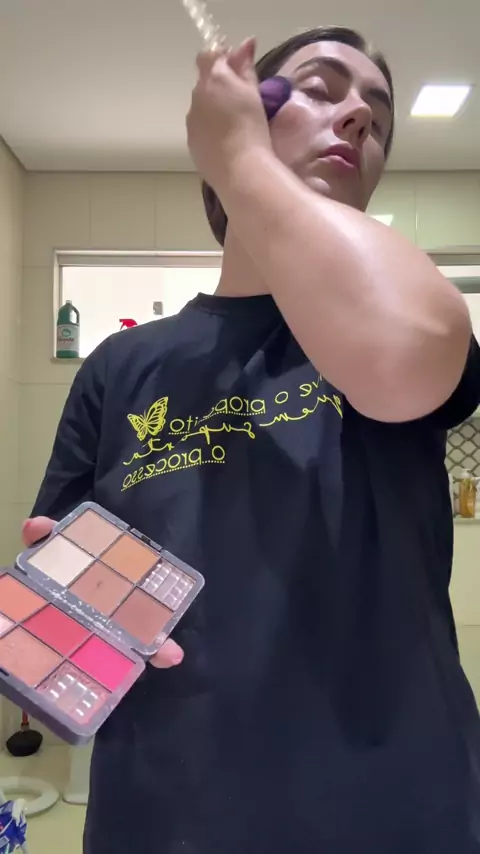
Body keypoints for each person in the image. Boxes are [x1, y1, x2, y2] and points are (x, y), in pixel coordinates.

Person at [23, 25, 480, 854]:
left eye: (378, 116)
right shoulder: (123, 365)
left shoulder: (395, 310)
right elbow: (64, 614)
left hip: (394, 809)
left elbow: (408, 352)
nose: (358, 117)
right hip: (166, 814)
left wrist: (239, 159)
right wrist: (64, 612)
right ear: (248, 106)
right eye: (321, 87)